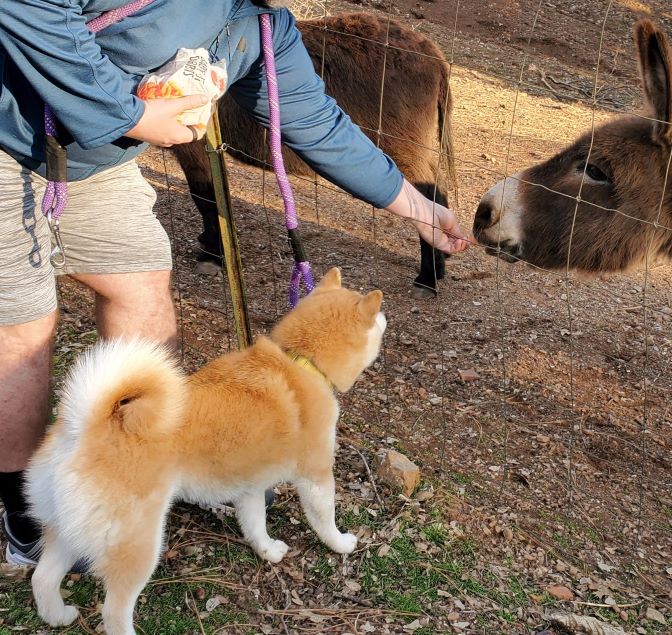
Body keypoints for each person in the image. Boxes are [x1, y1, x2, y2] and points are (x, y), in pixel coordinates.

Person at [0, 0, 469, 567]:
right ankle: (26, 517)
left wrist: (417, 208)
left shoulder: (266, 24)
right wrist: (129, 116)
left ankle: (149, 463)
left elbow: (315, 120)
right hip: (11, 140)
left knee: (144, 293)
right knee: (21, 329)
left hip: (94, 163)